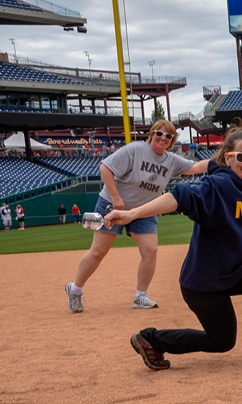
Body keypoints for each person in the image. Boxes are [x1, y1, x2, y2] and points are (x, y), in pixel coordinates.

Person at [103, 121, 242, 371]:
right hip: (203, 283)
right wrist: (133, 214)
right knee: (222, 341)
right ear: (228, 159)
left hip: (233, 271)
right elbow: (177, 197)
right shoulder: (217, 186)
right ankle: (152, 339)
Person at [64, 120, 209, 313]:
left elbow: (197, 167)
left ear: (172, 140)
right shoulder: (135, 149)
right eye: (159, 133)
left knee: (151, 250)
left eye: (168, 136)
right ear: (152, 134)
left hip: (143, 211)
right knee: (98, 251)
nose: (163, 139)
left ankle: (140, 296)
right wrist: (116, 196)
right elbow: (104, 168)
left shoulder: (171, 160)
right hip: (112, 206)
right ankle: (75, 290)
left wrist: (227, 159)